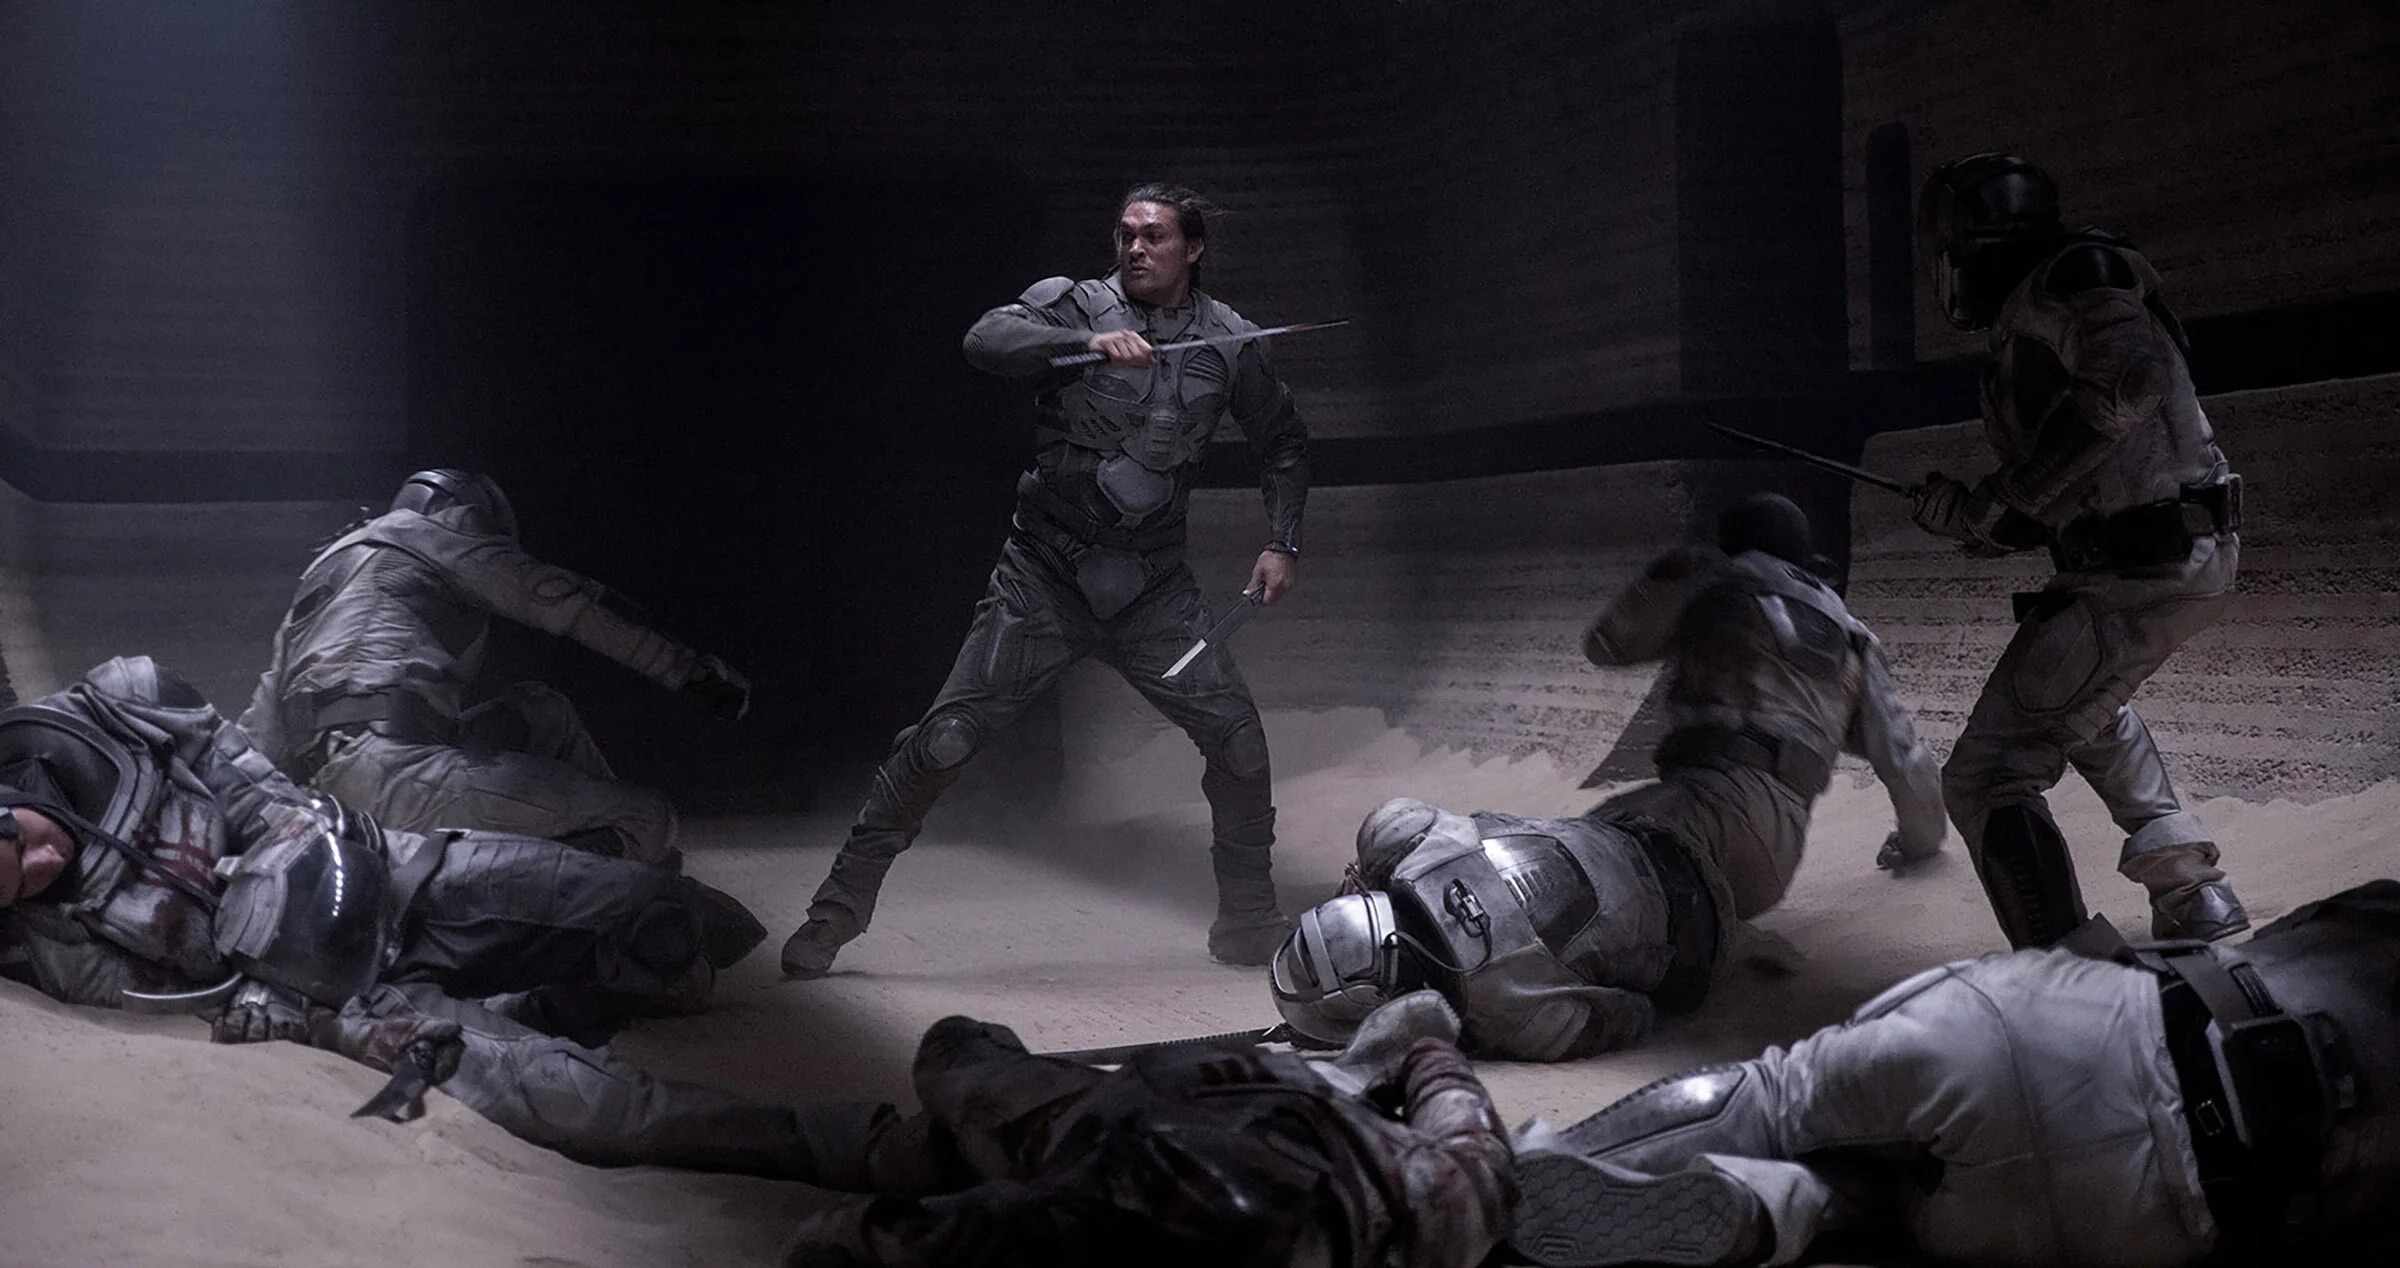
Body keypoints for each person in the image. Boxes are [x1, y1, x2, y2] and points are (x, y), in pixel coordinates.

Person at [782, 182, 1312, 978]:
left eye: (1155, 236)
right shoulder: (1077, 304)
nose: (1136, 248)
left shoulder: (1228, 340)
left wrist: (1282, 543)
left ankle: (1247, 920)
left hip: (1154, 589)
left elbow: (1285, 444)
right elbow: (986, 339)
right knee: (946, 738)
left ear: (1194, 248)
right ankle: (835, 912)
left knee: (1238, 742)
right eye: (1127, 233)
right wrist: (1087, 344)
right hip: (1045, 577)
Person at [0, 655, 810, 1173]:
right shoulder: (43, 945)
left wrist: (287, 847)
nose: (43, 870)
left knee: (657, 912)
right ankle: (838, 1143)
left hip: (393, 875)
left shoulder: (125, 703)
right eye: (21, 889)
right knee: (597, 1111)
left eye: (23, 849)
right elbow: (164, 996)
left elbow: (260, 790)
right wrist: (313, 1018)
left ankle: (566, 1000)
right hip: (348, 999)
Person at [1503, 879, 2400, 1267]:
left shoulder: (2378, 913)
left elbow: (2245, 945)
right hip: (2159, 1215)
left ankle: (1507, 1186)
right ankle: (1772, 1207)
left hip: (2071, 1029)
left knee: (1785, 1092)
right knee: (1897, 1209)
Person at [1909, 154, 2246, 946]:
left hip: (2147, 565)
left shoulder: (2076, 272)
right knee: (2088, 709)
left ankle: (2075, 982)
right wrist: (1970, 517)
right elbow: (2069, 494)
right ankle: (2191, 891)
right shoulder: (2037, 309)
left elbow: (2129, 379)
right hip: (2142, 559)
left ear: (1979, 240)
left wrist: (2009, 496)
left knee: (1988, 776)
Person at [240, 468, 753, 868]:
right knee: (645, 817)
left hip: (332, 796)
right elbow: (569, 603)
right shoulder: (434, 534)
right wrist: (690, 672)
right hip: (396, 776)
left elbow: (259, 735)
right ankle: (587, 895)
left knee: (540, 710)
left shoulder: (324, 577)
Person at [778, 991, 1515, 1268]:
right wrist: (1424, 1059)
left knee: (938, 1120)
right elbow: (844, 1239)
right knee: (955, 1066)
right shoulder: (1435, 1202)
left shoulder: (1435, 1203)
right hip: (1140, 1111)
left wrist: (1423, 1060)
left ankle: (1358, 1072)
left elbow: (840, 1239)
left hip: (1136, 1111)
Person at [1581, 493, 1947, 921]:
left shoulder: (1716, 590)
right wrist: (1921, 843)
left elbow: (1606, 647)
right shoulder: (1854, 638)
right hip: (1776, 847)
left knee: (1571, 864)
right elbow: (1904, 758)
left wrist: (1663, 578)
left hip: (1702, 807)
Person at [1270, 797, 1730, 1062]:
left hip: (1707, 935)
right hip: (1641, 825)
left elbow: (1637, 1015)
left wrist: (1463, 1034)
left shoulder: (1513, 1017)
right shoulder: (1401, 833)